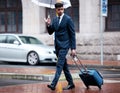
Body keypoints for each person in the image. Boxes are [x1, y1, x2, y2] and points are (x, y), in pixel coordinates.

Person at [44, 2, 76, 91]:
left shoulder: (68, 19)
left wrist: (73, 48)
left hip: (65, 46)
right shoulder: (54, 20)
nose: (61, 11)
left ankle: (53, 84)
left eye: (62, 9)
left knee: (59, 65)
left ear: (63, 9)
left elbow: (72, 34)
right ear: (56, 10)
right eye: (59, 9)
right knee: (64, 66)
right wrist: (48, 24)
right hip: (57, 46)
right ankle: (71, 83)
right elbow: (51, 32)